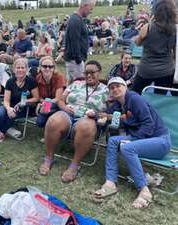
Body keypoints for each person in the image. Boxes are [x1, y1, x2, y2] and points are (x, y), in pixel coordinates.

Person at [94, 77, 171, 209]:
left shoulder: (135, 99)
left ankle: (144, 191)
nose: (115, 89)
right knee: (113, 141)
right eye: (112, 88)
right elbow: (106, 115)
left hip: (160, 141)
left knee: (127, 148)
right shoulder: (119, 105)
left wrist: (131, 139)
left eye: (118, 86)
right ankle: (110, 182)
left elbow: (149, 124)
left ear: (125, 87)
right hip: (144, 139)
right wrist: (94, 114)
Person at [38, 60, 109, 183]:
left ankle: (74, 165)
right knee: (53, 121)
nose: (88, 75)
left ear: (100, 73)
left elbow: (112, 111)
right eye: (86, 72)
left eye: (92, 72)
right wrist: (64, 107)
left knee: (85, 126)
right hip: (68, 113)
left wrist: (98, 115)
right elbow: (61, 99)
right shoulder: (76, 83)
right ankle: (49, 158)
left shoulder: (106, 90)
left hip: (88, 119)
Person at [0, 58, 39, 143]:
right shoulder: (10, 81)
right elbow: (6, 100)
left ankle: (1, 132)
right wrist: (8, 108)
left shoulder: (31, 81)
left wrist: (24, 102)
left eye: (22, 67)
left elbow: (36, 98)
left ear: (27, 69)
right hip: (10, 105)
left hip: (25, 107)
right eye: (18, 68)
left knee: (12, 113)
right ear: (14, 69)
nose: (20, 70)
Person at [132, 0, 177, 95]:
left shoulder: (148, 27)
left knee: (135, 94)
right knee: (159, 97)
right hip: (166, 71)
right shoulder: (175, 30)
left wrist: (149, 23)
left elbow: (137, 43)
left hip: (146, 70)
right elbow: (175, 53)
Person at [64, 0, 96, 85]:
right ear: (85, 6)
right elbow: (74, 41)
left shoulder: (77, 19)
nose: (91, 12)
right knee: (79, 86)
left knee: (72, 86)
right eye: (91, 9)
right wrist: (79, 60)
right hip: (75, 60)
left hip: (76, 60)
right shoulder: (75, 20)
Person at [36, 56, 66, 127]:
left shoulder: (59, 77)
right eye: (44, 66)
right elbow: (38, 96)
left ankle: (54, 118)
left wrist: (46, 104)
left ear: (54, 68)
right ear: (40, 67)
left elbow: (58, 98)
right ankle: (50, 118)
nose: (47, 68)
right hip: (44, 103)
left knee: (44, 114)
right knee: (40, 123)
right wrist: (43, 102)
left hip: (58, 104)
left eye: (50, 67)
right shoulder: (37, 78)